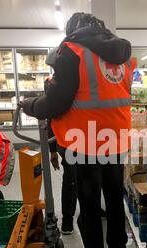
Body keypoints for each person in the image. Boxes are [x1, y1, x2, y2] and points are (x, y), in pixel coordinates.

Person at [20, 12, 134, 248]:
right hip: (115, 139)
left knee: (90, 209)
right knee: (115, 199)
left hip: (84, 143)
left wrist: (30, 105)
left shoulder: (72, 51)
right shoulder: (121, 53)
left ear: (74, 30)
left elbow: (57, 103)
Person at [44, 49, 106, 236]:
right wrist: (53, 150)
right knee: (71, 179)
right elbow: (50, 118)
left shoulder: (82, 81)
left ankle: (93, 210)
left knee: (93, 177)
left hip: (90, 139)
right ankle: (68, 219)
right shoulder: (56, 85)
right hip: (68, 142)